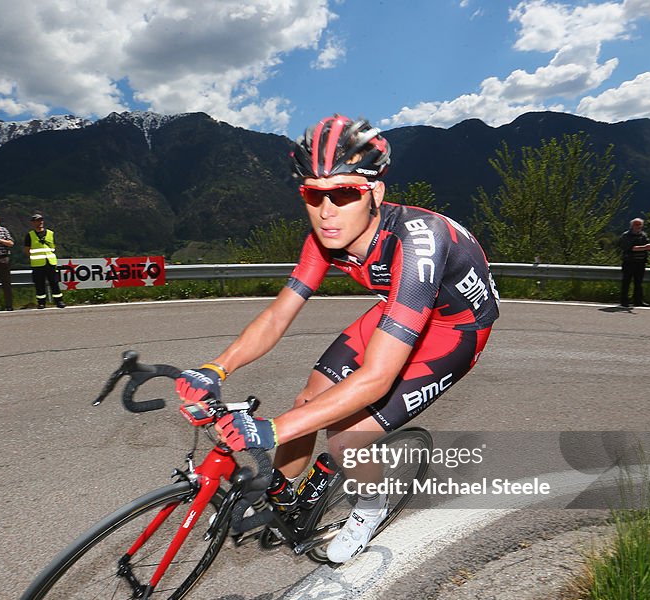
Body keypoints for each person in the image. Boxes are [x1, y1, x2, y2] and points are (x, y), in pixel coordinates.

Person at [175, 115, 499, 563]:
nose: (327, 212)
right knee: (307, 402)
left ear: (375, 193)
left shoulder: (417, 243)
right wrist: (217, 367)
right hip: (399, 307)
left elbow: (377, 378)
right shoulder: (322, 239)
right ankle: (283, 499)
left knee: (346, 438)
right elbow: (277, 315)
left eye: (344, 193)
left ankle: (369, 508)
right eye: (314, 194)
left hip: (455, 330)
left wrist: (271, 430)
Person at [24, 213, 66, 309]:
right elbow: (27, 249)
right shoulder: (30, 235)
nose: (40, 222)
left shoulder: (50, 233)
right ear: (33, 223)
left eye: (41, 220)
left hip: (50, 262)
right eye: (37, 221)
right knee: (39, 284)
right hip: (37, 264)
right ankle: (41, 302)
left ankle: (59, 301)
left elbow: (53, 246)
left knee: (54, 282)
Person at [619, 218, 650, 308]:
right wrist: (645, 247)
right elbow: (632, 248)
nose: (638, 227)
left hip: (641, 262)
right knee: (626, 282)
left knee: (639, 282)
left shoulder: (643, 235)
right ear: (632, 226)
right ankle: (624, 301)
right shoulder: (626, 235)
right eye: (636, 225)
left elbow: (647, 245)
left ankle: (638, 300)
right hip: (629, 262)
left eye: (640, 225)